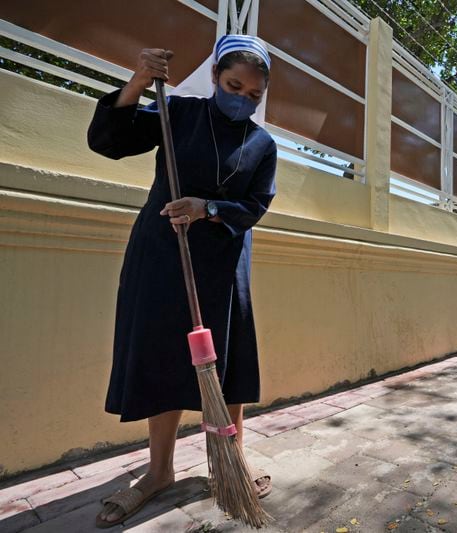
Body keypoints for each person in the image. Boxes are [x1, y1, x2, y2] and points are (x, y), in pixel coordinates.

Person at [88, 35, 277, 528]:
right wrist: (137, 81)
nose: (242, 99)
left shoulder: (262, 143)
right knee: (162, 354)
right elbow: (111, 140)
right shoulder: (179, 114)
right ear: (215, 76)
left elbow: (255, 206)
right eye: (234, 85)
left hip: (223, 261)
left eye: (253, 95)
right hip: (163, 254)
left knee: (226, 360)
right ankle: (158, 471)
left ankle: (232, 458)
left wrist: (207, 208)